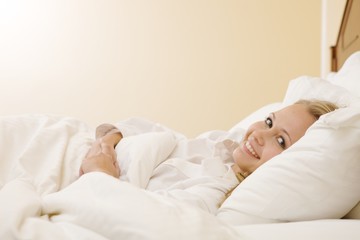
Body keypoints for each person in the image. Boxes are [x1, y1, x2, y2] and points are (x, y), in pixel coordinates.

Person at [79, 99, 338, 213]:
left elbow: (138, 215)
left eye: (281, 141)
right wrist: (108, 140)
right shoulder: (221, 143)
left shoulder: (214, 195)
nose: (259, 134)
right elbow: (141, 130)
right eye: (269, 121)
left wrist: (99, 174)